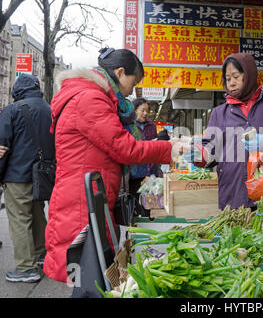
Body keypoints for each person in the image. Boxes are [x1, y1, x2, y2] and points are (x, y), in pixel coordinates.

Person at [43, 47, 187, 284]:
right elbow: (124, 148)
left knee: (92, 275)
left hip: (89, 196)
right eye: (134, 81)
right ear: (120, 72)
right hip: (82, 201)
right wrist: (168, 148)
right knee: (90, 279)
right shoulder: (89, 98)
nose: (132, 90)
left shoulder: (90, 95)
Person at [182, 52, 263, 210]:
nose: (231, 83)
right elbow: (212, 150)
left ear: (248, 74)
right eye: (228, 79)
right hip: (233, 196)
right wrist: (201, 155)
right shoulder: (219, 113)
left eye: (236, 76)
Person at [0, 74, 55, 283]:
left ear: (17, 90)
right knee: (38, 213)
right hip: (42, 175)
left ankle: (25, 268)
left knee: (20, 220)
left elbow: (2, 147)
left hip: (17, 175)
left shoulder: (12, 110)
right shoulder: (50, 109)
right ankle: (42, 254)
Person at [124, 97, 160, 195]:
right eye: (142, 110)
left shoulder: (152, 126)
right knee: (135, 198)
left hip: (151, 168)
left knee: (150, 199)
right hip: (135, 171)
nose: (145, 113)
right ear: (135, 110)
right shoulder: (129, 126)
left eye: (147, 111)